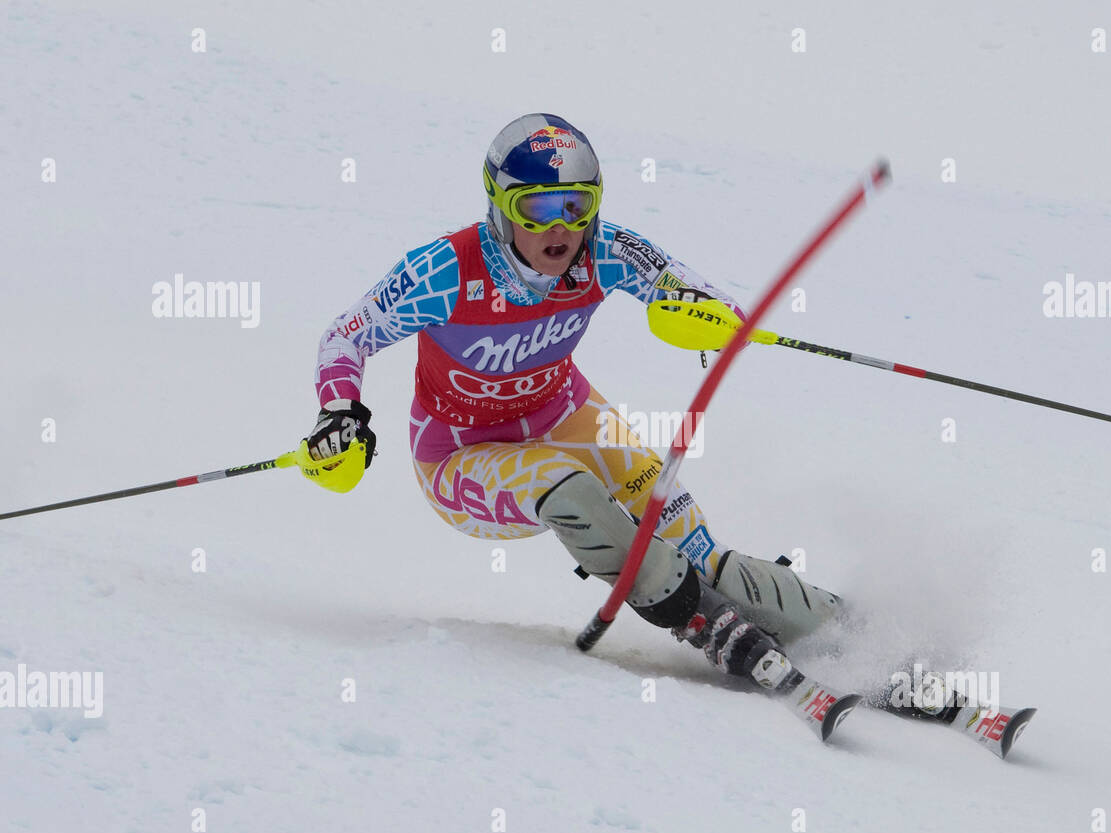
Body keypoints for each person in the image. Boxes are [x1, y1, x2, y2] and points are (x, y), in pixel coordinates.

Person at [305, 113, 842, 691]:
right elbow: (346, 335)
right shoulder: (442, 271)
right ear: (499, 204)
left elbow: (690, 290)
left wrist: (718, 319)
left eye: (578, 206)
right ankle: (704, 622)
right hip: (461, 454)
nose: (560, 228)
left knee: (688, 535)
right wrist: (340, 412)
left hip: (565, 414)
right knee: (574, 490)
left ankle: (837, 627)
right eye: (536, 207)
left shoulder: (604, 249)